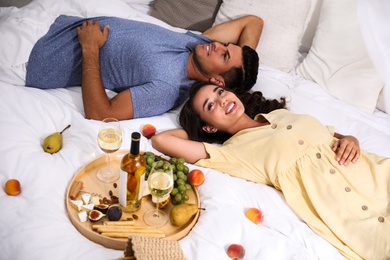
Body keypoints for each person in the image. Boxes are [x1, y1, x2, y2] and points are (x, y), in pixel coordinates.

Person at [151, 81, 390, 259]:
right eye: (210, 105)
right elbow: (162, 141)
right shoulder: (235, 153)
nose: (222, 100)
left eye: (220, 92)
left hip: (378, 176)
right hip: (356, 221)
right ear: (210, 127)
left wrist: (350, 138)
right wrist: (198, 132)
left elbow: (328, 135)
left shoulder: (279, 114)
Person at [0, 9, 263, 120]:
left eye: (225, 55)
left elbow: (101, 114)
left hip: (30, 53)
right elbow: (253, 21)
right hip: (44, 21)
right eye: (225, 45)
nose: (217, 44)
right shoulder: (198, 46)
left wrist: (90, 48)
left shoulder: (167, 89)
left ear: (217, 81)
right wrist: (243, 60)